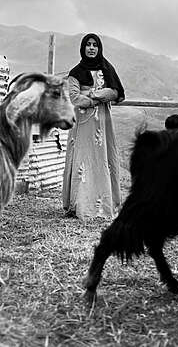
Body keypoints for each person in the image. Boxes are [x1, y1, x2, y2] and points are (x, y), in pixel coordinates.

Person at [62, 33, 125, 219]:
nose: (91, 48)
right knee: (83, 159)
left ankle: (103, 204)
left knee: (101, 159)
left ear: (99, 48)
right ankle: (80, 204)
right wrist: (94, 99)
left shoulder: (107, 68)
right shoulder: (75, 72)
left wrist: (94, 95)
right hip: (83, 123)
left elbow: (115, 93)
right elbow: (74, 98)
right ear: (83, 48)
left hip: (102, 124)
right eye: (88, 45)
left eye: (94, 45)